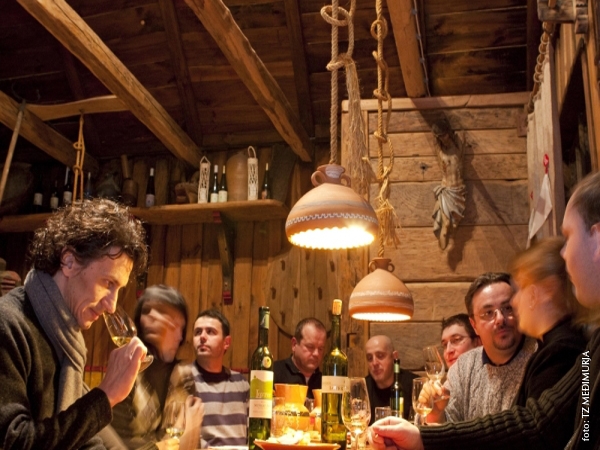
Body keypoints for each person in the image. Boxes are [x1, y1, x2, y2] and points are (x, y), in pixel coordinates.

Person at [367, 170, 600, 450]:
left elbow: (537, 427)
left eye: (569, 236)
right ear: (474, 324)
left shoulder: (563, 349)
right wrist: (430, 428)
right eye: (488, 313)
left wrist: (424, 438)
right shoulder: (578, 346)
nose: (509, 310)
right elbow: (552, 426)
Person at [0, 198, 148, 449]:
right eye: (108, 283)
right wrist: (106, 394)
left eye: (119, 289)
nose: (112, 306)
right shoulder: (9, 325)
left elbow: (83, 439)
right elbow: (15, 442)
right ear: (69, 262)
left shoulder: (66, 342)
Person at [421, 272, 537, 424]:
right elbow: (445, 422)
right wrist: (435, 413)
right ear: (474, 325)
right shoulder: (464, 367)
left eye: (508, 308)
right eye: (488, 313)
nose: (500, 319)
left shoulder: (538, 356)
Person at [111, 284, 203, 450]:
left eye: (161, 311)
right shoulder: (127, 371)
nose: (152, 316)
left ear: (180, 328)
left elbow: (192, 443)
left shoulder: (183, 376)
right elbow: (115, 441)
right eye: (146, 311)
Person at [509, 236, 588, 406]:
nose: (514, 301)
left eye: (519, 288)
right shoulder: (553, 345)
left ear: (541, 291)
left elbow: (534, 421)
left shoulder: (561, 352)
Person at [190, 309, 249, 448]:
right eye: (197, 332)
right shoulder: (184, 379)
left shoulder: (241, 383)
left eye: (210, 332)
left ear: (226, 342)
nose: (202, 337)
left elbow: (254, 430)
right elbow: (180, 433)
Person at [365, 335, 417, 423]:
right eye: (370, 358)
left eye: (380, 356)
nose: (374, 363)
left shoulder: (413, 385)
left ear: (394, 357)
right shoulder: (363, 388)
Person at [273, 317, 327, 399]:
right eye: (310, 347)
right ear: (294, 344)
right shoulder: (273, 373)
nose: (316, 354)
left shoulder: (326, 382)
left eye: (320, 349)